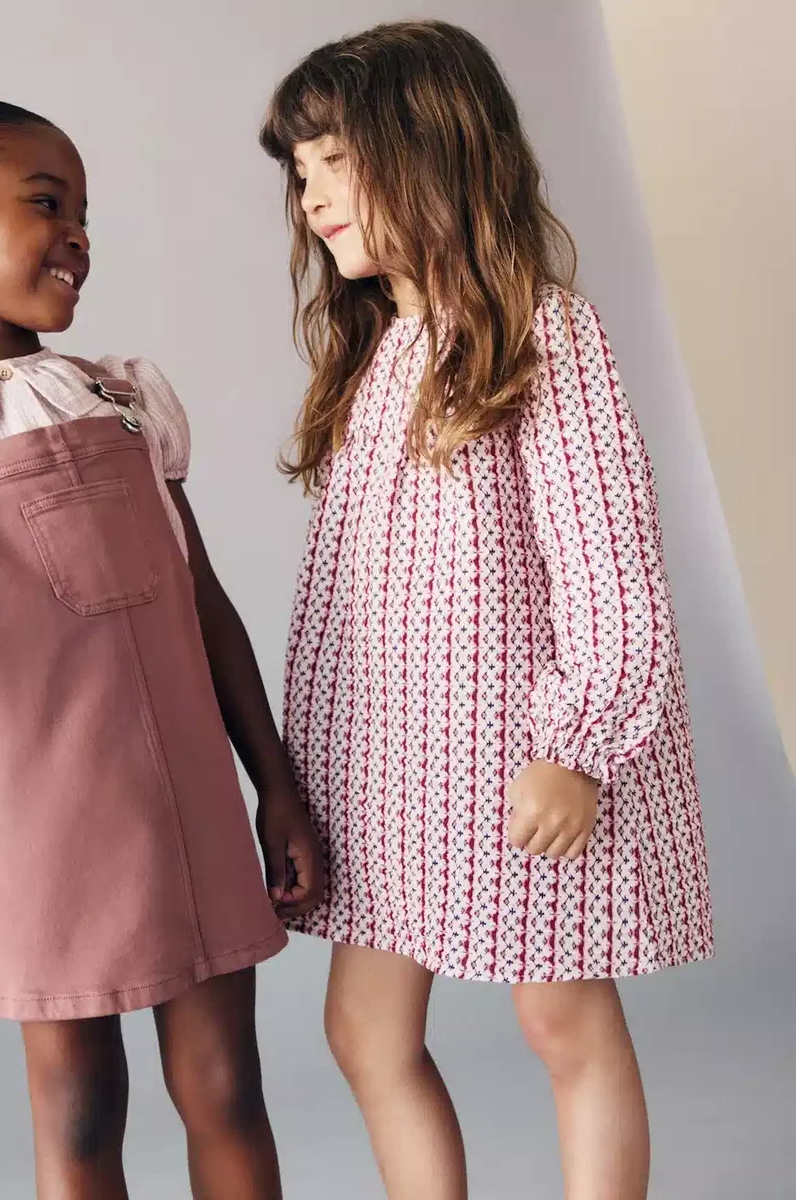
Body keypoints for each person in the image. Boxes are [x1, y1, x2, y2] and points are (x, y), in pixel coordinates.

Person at [260, 21, 714, 1200]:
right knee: (363, 1030)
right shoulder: (378, 357)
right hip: (393, 774)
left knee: (561, 1020)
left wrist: (576, 747)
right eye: (300, 172)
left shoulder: (542, 335)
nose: (312, 196)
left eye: (335, 161)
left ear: (431, 148)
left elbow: (609, 570)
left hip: (520, 763)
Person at [0, 94, 322, 1199]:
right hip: (45, 826)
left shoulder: (121, 400)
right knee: (79, 1111)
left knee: (228, 1088)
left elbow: (204, 602)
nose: (78, 237)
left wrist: (276, 785)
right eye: (45, 204)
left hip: (192, 799)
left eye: (85, 215)